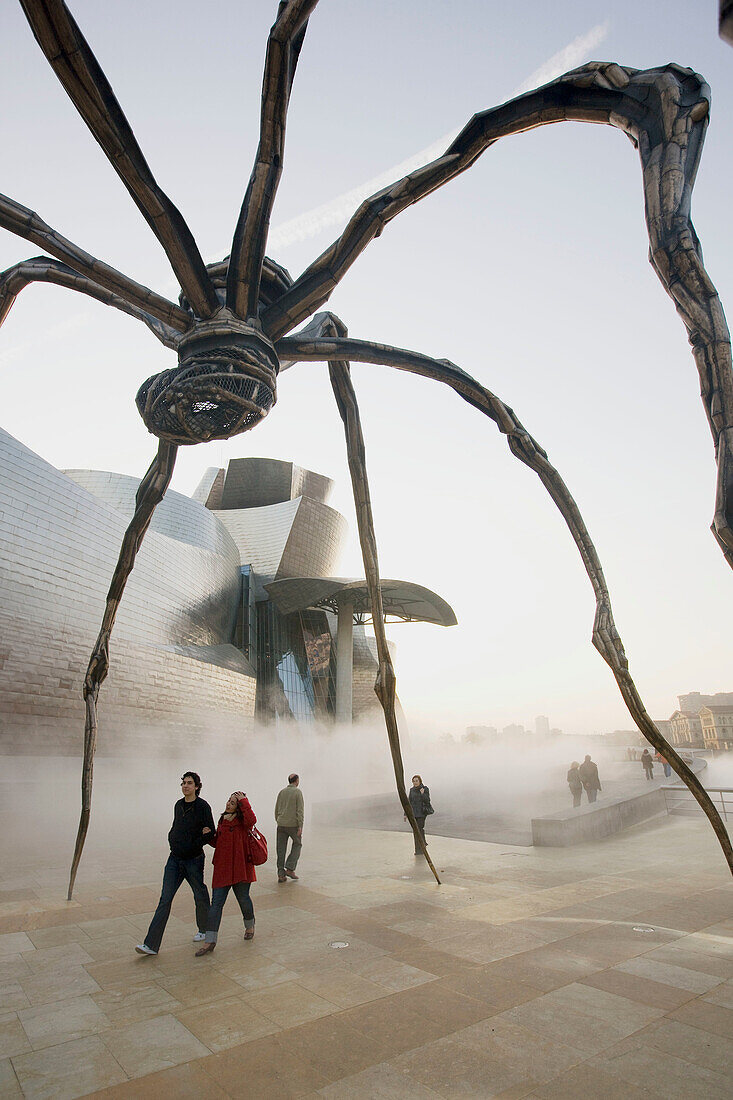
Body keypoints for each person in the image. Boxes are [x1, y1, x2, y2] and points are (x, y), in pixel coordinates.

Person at [136, 771, 215, 956]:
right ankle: (151, 945)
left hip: (194, 860)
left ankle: (206, 930)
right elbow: (176, 826)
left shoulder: (203, 806)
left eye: (189, 783)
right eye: (183, 783)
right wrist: (172, 839)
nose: (185, 786)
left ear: (196, 786)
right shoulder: (178, 805)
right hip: (175, 859)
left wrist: (195, 843)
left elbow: (210, 832)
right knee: (165, 899)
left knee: (200, 895)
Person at [195, 790, 257, 955]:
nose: (228, 804)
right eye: (228, 801)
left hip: (240, 868)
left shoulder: (244, 821)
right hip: (222, 868)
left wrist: (244, 801)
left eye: (232, 802)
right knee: (216, 905)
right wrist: (209, 836)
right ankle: (210, 941)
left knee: (243, 900)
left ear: (239, 807)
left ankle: (250, 926)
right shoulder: (222, 820)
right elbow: (219, 843)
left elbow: (252, 820)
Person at [275, 773, 304, 883]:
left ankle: (280, 874)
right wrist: (300, 826)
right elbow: (300, 810)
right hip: (293, 825)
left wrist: (278, 820)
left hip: (281, 824)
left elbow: (277, 808)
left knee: (280, 849)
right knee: (297, 844)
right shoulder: (297, 792)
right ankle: (290, 868)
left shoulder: (282, 792)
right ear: (296, 781)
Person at [406, 774, 433, 854]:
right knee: (415, 831)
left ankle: (423, 846)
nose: (415, 782)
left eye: (416, 781)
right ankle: (417, 850)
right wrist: (406, 814)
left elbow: (427, 800)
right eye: (413, 781)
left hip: (422, 813)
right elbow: (409, 802)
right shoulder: (412, 790)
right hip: (414, 814)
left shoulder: (425, 789)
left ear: (420, 781)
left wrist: (423, 794)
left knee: (420, 829)